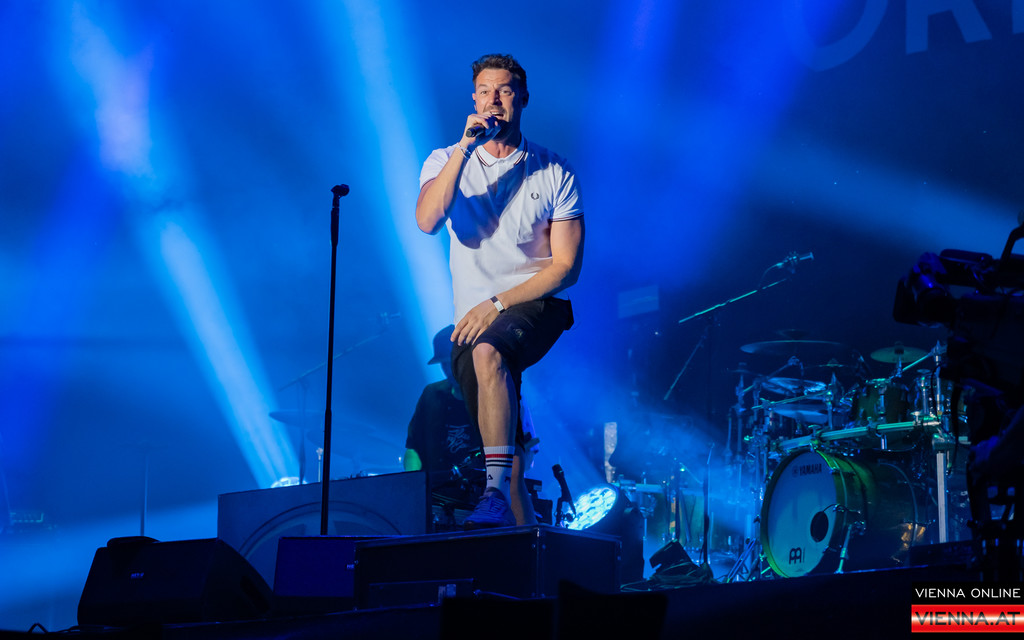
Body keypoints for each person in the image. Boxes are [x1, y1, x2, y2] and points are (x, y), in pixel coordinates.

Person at [415, 53, 584, 527]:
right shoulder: (445, 160)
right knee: (508, 463)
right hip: (472, 323)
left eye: (505, 91)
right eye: (486, 91)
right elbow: (427, 220)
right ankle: (529, 553)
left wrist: (498, 303)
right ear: (474, 99)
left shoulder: (555, 170)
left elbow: (567, 267)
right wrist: (465, 150)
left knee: (490, 352)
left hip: (534, 304)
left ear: (522, 99)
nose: (494, 100)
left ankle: (489, 496)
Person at [404, 325, 484, 503]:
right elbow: (413, 449)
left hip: (478, 498)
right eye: (443, 364)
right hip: (433, 496)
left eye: (451, 362)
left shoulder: (490, 398)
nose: (448, 370)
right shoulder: (431, 394)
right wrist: (414, 484)